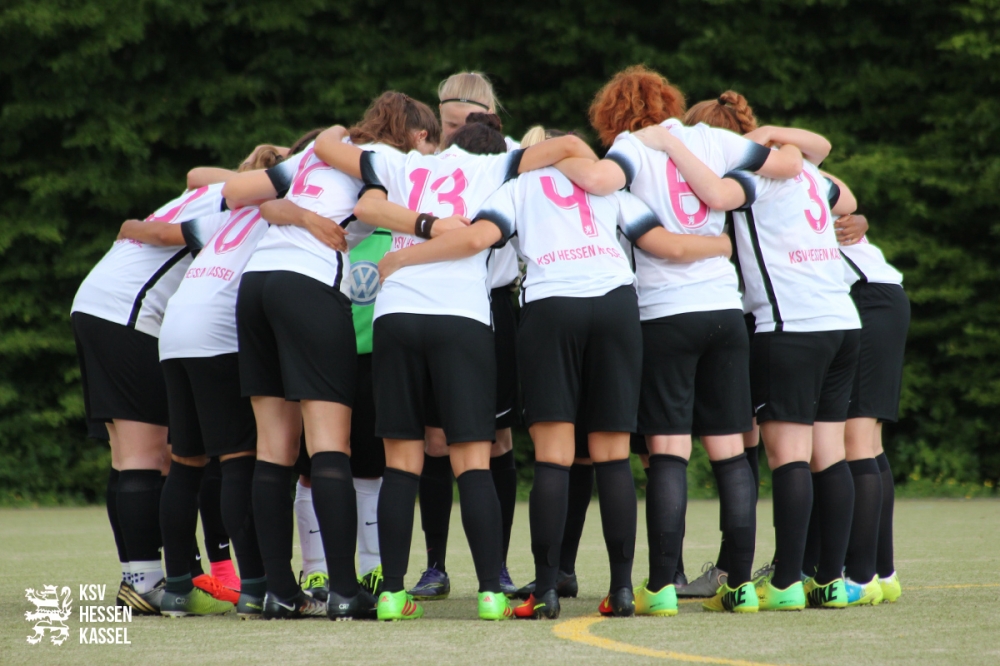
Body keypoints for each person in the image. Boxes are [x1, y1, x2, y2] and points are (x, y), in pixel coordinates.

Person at [375, 124, 734, 619]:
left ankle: (544, 591)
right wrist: (720, 246)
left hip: (552, 306)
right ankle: (622, 590)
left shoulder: (518, 186)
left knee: (553, 458)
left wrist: (401, 258)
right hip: (614, 303)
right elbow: (662, 243)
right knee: (613, 457)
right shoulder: (607, 185)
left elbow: (477, 238)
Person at [313, 113, 600, 620]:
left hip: (396, 313)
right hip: (461, 317)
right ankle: (490, 593)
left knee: (402, 462)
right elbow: (569, 145)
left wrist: (337, 130)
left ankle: (393, 594)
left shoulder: (403, 163)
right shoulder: (497, 166)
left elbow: (325, 147)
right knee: (473, 461)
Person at [552, 65, 802, 617]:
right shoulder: (712, 138)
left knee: (668, 451)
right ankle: (738, 586)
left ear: (611, 113)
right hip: (724, 309)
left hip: (663, 312)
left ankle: (663, 586)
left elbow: (599, 183)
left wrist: (554, 156)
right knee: (731, 451)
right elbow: (790, 165)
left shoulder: (631, 146)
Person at [222, 91, 440, 620]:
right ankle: (344, 590)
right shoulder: (385, 162)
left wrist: (302, 213)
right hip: (309, 288)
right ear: (416, 135)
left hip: (257, 285)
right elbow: (371, 209)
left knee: (274, 448)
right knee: (329, 446)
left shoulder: (318, 152)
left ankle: (279, 592)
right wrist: (431, 225)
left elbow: (252, 199)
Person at [676, 92, 861, 611]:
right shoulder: (808, 174)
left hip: (791, 326)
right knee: (830, 453)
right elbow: (846, 200)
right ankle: (829, 580)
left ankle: (783, 583)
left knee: (788, 457)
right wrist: (775, 137)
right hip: (842, 322)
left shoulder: (750, 177)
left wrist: (673, 148)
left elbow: (714, 194)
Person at [72, 164, 236, 614]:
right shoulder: (235, 208)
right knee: (146, 457)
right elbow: (167, 232)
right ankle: (145, 584)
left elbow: (194, 174)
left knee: (128, 456)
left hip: (101, 304)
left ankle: (136, 579)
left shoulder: (211, 190)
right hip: (128, 312)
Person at [142, 144, 287, 617]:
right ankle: (255, 587)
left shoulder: (225, 217)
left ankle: (177, 588)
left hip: (174, 333)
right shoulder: (281, 213)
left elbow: (198, 179)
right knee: (239, 461)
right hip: (216, 337)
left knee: (186, 464)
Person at [410, 71, 521, 601]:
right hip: (439, 303)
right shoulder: (428, 163)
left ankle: (497, 566)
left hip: (493, 304)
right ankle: (434, 565)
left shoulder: (511, 156)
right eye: (443, 123)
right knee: (434, 439)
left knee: (496, 439)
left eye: (456, 124)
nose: (447, 134)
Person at [838, 213, 910, 605]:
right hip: (878, 297)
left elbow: (844, 197)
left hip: (867, 300)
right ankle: (883, 573)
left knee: (854, 442)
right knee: (869, 443)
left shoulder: (781, 183)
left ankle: (861, 576)